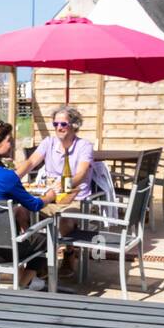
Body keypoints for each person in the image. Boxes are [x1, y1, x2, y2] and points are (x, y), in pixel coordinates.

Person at [16, 105, 115, 276]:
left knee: (62, 220)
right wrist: (13, 177)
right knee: (20, 212)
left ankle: (68, 253)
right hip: (49, 197)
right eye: (55, 124)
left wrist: (64, 184)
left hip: (77, 199)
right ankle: (35, 254)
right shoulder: (48, 143)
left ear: (74, 125)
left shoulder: (84, 146)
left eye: (63, 124)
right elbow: (31, 162)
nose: (59, 128)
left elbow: (82, 173)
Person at [0, 120, 57, 289]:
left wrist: (15, 210)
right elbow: (34, 205)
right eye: (9, 141)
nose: (13, 144)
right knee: (47, 240)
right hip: (2, 250)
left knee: (21, 227)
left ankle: (28, 280)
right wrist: (50, 196)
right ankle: (24, 281)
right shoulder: (7, 177)